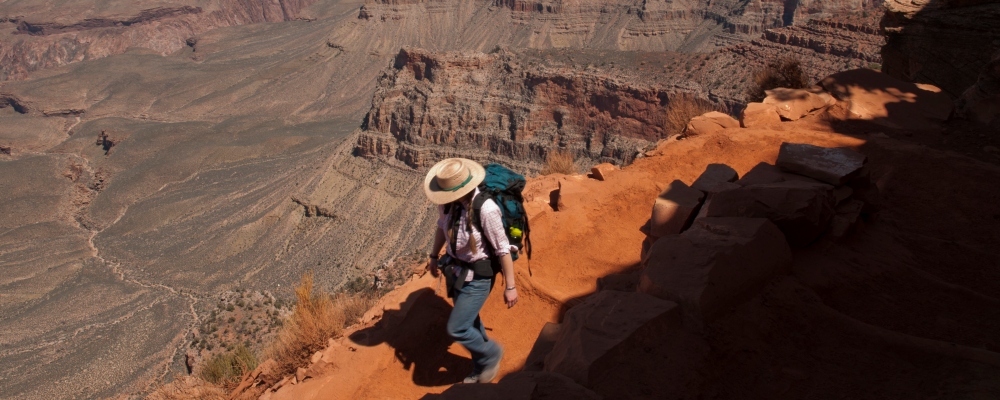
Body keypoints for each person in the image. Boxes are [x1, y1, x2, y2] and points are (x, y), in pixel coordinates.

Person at [423, 157, 518, 384]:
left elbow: (503, 249)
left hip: (478, 278)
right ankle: (481, 368)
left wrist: (511, 286)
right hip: (456, 272)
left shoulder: (485, 209)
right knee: (471, 322)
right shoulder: (447, 204)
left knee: (458, 328)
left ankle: (492, 353)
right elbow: (441, 229)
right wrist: (434, 256)